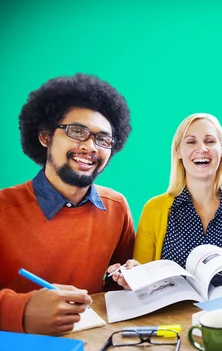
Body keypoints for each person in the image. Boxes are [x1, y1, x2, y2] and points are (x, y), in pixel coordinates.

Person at [0, 73, 134, 335]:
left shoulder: (117, 208)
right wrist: (21, 310)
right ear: (45, 136)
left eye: (103, 139)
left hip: (94, 347)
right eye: (77, 131)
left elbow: (114, 287)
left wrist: (129, 279)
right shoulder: (3, 209)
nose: (90, 146)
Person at [109, 113, 222, 288]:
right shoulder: (155, 209)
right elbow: (142, 275)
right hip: (173, 313)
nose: (202, 148)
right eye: (191, 142)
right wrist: (133, 276)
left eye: (210, 141)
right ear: (178, 151)